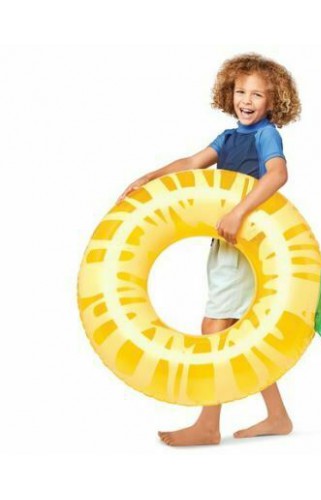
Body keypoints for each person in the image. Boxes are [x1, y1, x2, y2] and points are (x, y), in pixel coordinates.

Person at [117, 53, 301, 446]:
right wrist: (151, 177)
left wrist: (239, 211)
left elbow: (277, 174)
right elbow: (193, 162)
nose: (246, 100)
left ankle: (208, 424)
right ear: (228, 93)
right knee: (238, 332)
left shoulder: (266, 135)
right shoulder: (230, 137)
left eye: (257, 94)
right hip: (226, 240)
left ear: (274, 101)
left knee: (214, 328)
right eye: (240, 91)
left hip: (245, 241)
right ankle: (277, 416)